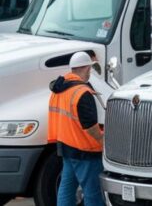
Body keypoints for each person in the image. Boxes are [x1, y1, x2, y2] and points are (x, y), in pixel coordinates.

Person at [48, 52, 104, 206]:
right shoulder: (82, 93)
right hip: (85, 151)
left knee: (66, 188)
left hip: (66, 147)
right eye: (90, 70)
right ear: (86, 68)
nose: (90, 73)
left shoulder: (59, 89)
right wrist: (103, 140)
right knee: (93, 192)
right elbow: (89, 126)